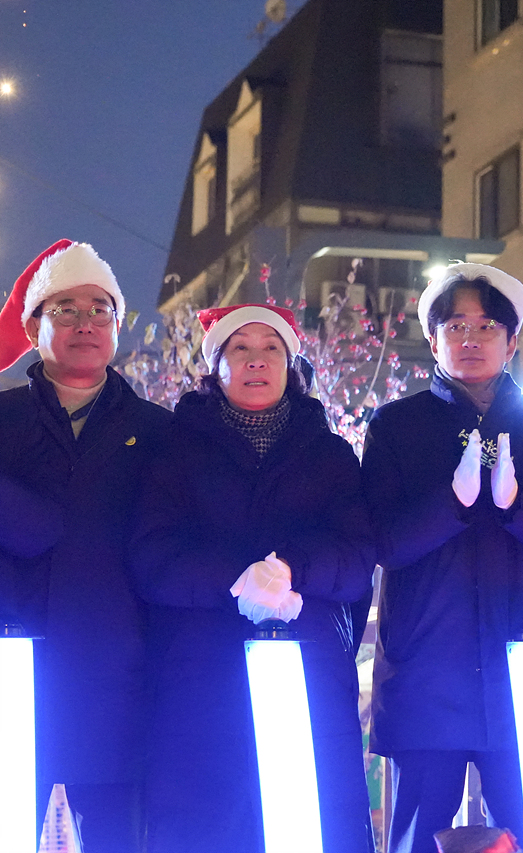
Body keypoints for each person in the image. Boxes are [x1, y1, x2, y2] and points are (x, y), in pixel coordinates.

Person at [363, 263, 523, 852]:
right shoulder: (397, 426)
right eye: (456, 326)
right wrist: (453, 503)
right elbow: (384, 543)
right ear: (433, 338)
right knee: (416, 839)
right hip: (427, 669)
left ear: (512, 341)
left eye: (488, 326)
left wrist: (519, 506)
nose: (471, 338)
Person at [130, 304, 376, 853]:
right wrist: (236, 579)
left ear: (290, 364)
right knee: (206, 830)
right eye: (239, 348)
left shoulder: (331, 454)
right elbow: (152, 557)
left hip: (307, 679)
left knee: (311, 824)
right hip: (200, 683)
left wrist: (291, 569)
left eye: (271, 348)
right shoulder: (173, 450)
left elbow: (358, 557)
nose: (256, 360)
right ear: (215, 365)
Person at [0, 240, 170, 851]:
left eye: (100, 310)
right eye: (65, 310)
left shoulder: (158, 431)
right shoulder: (3, 420)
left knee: (114, 834)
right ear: (33, 328)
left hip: (115, 675)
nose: (85, 324)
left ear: (117, 328)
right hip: (13, 665)